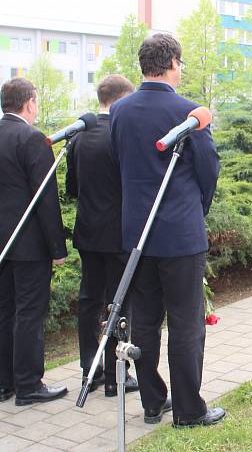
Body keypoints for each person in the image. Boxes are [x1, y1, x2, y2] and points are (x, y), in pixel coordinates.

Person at [109, 34, 225, 427]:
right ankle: (190, 410)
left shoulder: (120, 111)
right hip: (180, 235)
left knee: (143, 322)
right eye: (182, 62)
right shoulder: (189, 111)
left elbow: (119, 164)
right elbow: (209, 169)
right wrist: (196, 209)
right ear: (173, 62)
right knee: (185, 323)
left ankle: (152, 402)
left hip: (135, 235)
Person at [0, 77, 68, 406]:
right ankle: (28, 385)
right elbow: (46, 199)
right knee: (29, 311)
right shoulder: (33, 139)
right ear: (28, 103)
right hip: (29, 245)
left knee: (3, 309)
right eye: (36, 102)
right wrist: (58, 248)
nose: (36, 108)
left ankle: (3, 384)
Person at [65, 74, 143, 398]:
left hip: (88, 232)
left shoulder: (79, 137)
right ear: (122, 99)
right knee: (120, 303)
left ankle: (89, 369)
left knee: (89, 301)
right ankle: (116, 375)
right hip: (120, 235)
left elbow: (71, 189)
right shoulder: (122, 134)